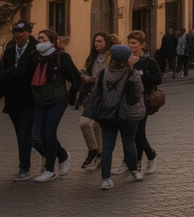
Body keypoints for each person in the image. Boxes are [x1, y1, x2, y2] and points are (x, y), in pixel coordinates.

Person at [83, 44, 144, 190]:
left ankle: (106, 178)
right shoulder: (133, 73)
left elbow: (97, 92)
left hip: (108, 113)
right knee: (129, 143)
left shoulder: (104, 73)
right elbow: (139, 92)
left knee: (107, 147)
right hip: (129, 114)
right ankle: (134, 170)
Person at [28, 29, 81, 181]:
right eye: (38, 39)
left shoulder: (61, 57)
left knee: (49, 134)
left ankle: (49, 169)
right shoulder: (37, 58)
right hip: (40, 100)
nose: (40, 42)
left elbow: (75, 78)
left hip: (57, 100)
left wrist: (70, 98)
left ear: (52, 41)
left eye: (43, 39)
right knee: (36, 137)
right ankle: (63, 155)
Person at [3, 21, 38, 181]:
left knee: (24, 133)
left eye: (22, 31)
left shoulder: (36, 50)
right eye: (16, 32)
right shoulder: (9, 50)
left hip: (30, 100)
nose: (18, 35)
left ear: (29, 32)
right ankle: (58, 154)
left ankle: (24, 168)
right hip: (13, 100)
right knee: (22, 134)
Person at [77, 32, 117, 171]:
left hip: (106, 95)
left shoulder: (112, 57)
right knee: (86, 123)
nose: (96, 44)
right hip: (92, 94)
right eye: (95, 41)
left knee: (94, 125)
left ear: (106, 42)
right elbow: (85, 72)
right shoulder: (92, 58)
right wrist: (85, 77)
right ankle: (94, 151)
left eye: (100, 41)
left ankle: (99, 154)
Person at [126, 31, 162, 175]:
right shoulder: (127, 59)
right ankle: (139, 160)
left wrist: (141, 75)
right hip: (129, 99)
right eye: (129, 43)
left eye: (134, 43)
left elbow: (158, 79)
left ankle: (148, 157)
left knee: (139, 132)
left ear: (142, 44)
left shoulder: (149, 61)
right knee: (134, 132)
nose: (131, 46)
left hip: (144, 99)